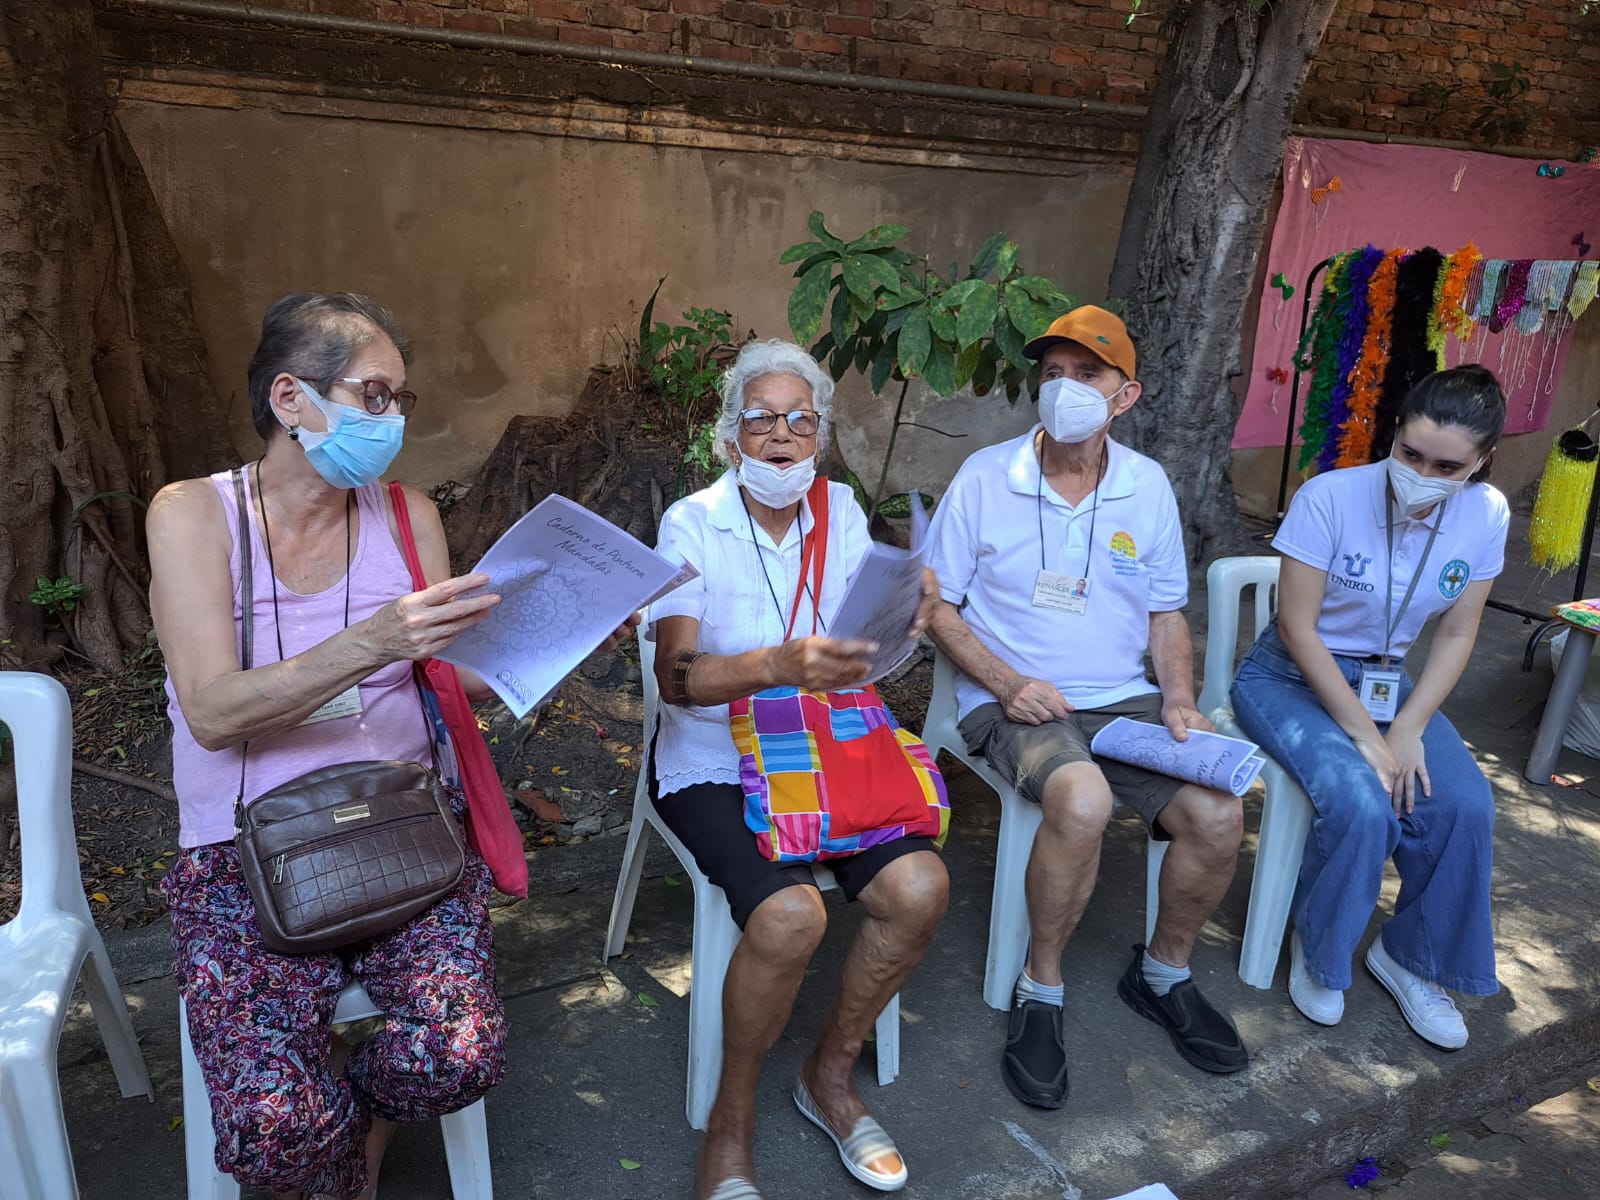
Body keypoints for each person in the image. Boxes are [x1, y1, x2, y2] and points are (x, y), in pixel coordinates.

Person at [150, 293, 631, 1198]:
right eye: (376, 396)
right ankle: (319, 1150)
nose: (395, 420)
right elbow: (213, 713)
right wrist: (376, 638)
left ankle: (346, 1137)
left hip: (402, 821)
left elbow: (443, 676)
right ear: (291, 399)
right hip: (243, 849)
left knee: (460, 1054)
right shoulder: (193, 515)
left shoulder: (407, 515)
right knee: (268, 1124)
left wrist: (571, 631)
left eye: (401, 400)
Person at [926, 305, 1247, 1110]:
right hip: (1010, 700)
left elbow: (1168, 612)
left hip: (1124, 698)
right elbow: (935, 608)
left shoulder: (1147, 486)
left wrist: (1179, 697)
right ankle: (1042, 989)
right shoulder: (986, 477)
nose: (1064, 389)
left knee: (1217, 813)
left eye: (1087, 375)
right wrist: (1006, 683)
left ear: (1125, 395)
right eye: (1053, 373)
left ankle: (1163, 973)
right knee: (1083, 795)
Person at [648, 339, 948, 1199]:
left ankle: (827, 1077)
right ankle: (730, 1124)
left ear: (818, 433)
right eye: (761, 418)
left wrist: (901, 622)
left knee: (921, 890)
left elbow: (864, 649)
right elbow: (678, 684)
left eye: (800, 419)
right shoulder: (692, 521)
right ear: (728, 436)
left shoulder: (842, 510)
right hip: (714, 758)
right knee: (789, 918)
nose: (781, 435)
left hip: (823, 753)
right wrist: (777, 666)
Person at [1229, 365, 1508, 1048]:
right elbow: (1297, 628)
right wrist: (1367, 739)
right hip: (1290, 676)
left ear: (1481, 463)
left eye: (1447, 465)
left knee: (1466, 806)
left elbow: (1458, 631)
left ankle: (1412, 957)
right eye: (1411, 454)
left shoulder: (1485, 513)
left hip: (1389, 683)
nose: (1421, 472)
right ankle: (1323, 952)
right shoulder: (1330, 496)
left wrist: (1407, 728)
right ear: (1393, 435)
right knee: (1362, 799)